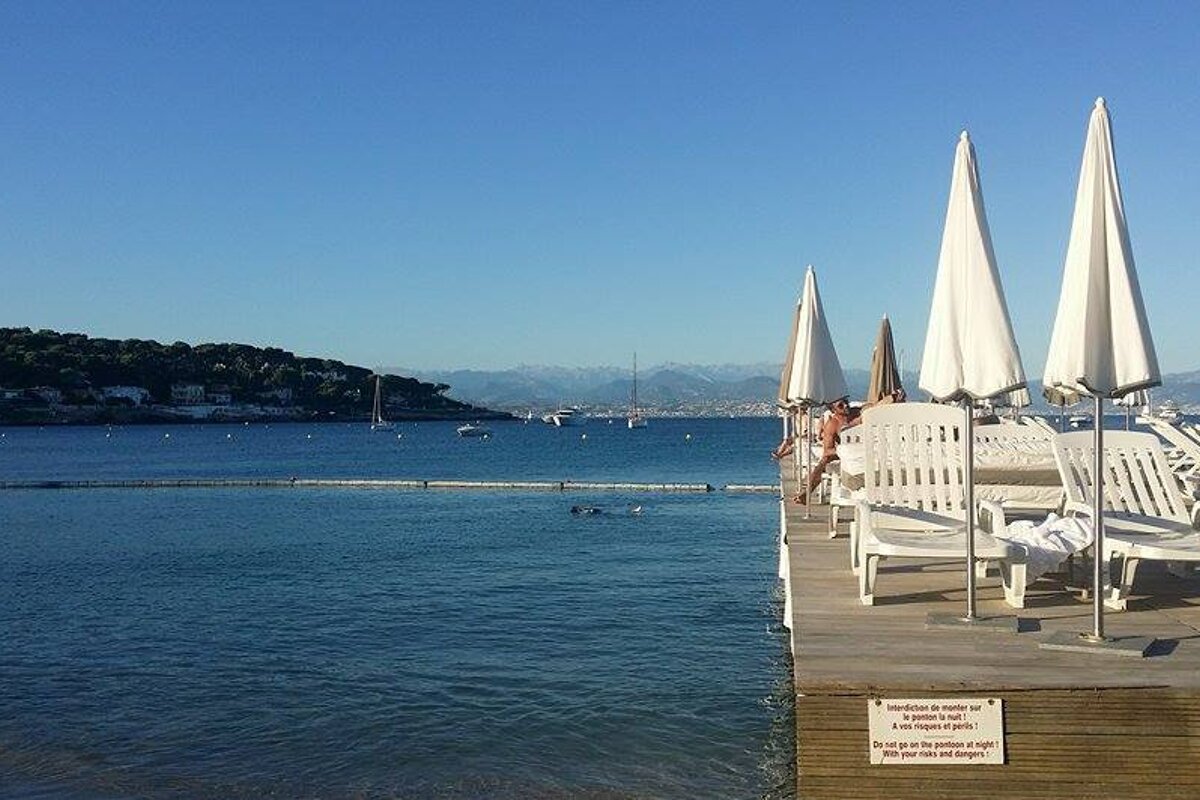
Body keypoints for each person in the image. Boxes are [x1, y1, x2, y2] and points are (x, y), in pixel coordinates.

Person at [793, 388, 905, 504]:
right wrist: (843, 450)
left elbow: (876, 406)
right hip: (847, 454)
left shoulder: (858, 412)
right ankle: (807, 491)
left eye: (846, 402)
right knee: (823, 461)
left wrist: (893, 397)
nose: (846, 406)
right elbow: (827, 451)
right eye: (841, 405)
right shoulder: (832, 425)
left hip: (869, 451)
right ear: (833, 409)